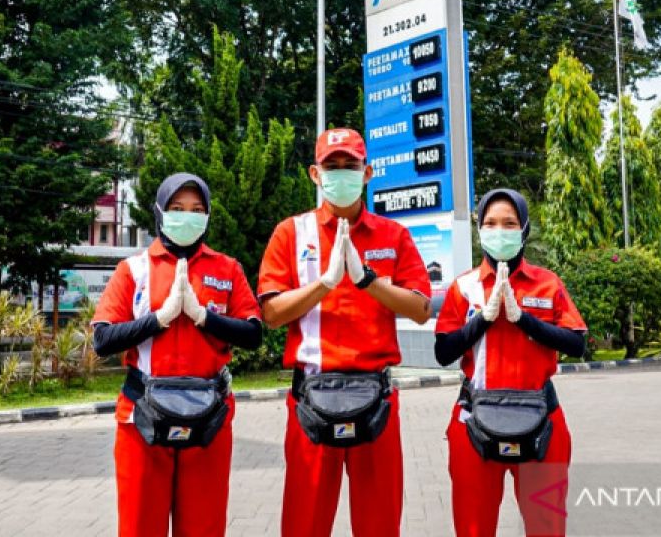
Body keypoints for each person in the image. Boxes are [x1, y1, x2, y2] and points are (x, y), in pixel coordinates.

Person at [258, 128, 432, 537]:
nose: (340, 174)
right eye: (330, 167)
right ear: (314, 174)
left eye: (349, 166)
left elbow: (422, 309)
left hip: (377, 399)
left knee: (379, 523)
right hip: (310, 398)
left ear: (367, 172)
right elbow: (270, 313)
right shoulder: (291, 233)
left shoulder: (393, 235)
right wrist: (324, 283)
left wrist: (368, 280)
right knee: (304, 522)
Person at [92, 172, 262, 537]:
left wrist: (204, 317)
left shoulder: (227, 268)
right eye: (177, 208)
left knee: (204, 527)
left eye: (197, 209)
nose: (188, 216)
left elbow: (253, 333)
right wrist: (159, 318)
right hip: (142, 419)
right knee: (140, 526)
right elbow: (102, 339)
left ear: (208, 215)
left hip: (209, 421)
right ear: (160, 212)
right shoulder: (134, 270)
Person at [434, 188, 588, 537]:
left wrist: (524, 320)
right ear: (479, 230)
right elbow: (444, 352)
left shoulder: (547, 284)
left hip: (541, 420)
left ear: (524, 229)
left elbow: (577, 343)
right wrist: (483, 320)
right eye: (490, 223)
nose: (498, 230)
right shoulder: (464, 287)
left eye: (509, 223)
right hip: (476, 418)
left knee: (546, 526)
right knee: (473, 526)